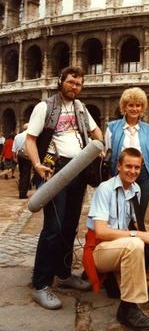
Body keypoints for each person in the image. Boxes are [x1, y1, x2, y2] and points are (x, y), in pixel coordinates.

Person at [25, 66, 103, 310]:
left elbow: (96, 132)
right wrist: (37, 165)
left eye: (79, 84)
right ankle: (41, 284)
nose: (75, 87)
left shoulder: (81, 108)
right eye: (71, 82)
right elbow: (31, 139)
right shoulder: (45, 107)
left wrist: (97, 148)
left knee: (70, 225)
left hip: (77, 169)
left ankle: (64, 273)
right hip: (53, 170)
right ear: (61, 82)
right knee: (53, 227)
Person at [83, 147, 149, 331]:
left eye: (137, 167)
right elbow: (101, 232)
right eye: (128, 166)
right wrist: (138, 235)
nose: (133, 171)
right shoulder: (105, 189)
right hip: (99, 250)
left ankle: (116, 281)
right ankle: (128, 308)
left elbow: (135, 226)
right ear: (118, 166)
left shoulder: (136, 189)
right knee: (135, 243)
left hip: (120, 248)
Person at [105, 87, 149, 221]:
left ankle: (137, 240)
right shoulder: (112, 127)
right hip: (120, 174)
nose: (134, 109)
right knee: (120, 213)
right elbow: (108, 154)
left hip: (144, 175)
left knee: (139, 215)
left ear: (142, 108)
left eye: (138, 105)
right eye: (131, 105)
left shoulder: (148, 129)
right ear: (124, 107)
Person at [12, 123, 32, 199]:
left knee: (21, 173)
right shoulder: (30, 135)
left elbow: (14, 149)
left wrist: (14, 158)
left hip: (19, 155)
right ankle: (23, 193)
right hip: (27, 155)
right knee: (26, 174)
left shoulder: (17, 136)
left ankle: (21, 191)